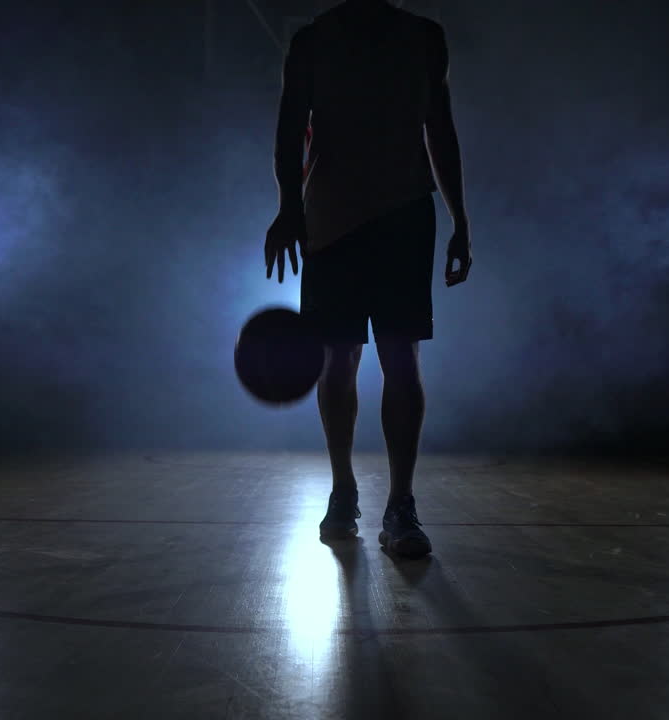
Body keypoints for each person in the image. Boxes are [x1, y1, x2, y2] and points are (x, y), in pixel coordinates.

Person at [264, 0, 471, 557]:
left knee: (398, 356)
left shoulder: (423, 38)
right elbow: (289, 128)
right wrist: (289, 208)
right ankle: (344, 490)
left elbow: (440, 129)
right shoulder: (314, 41)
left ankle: (400, 503)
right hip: (334, 214)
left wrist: (460, 218)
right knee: (341, 357)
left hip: (400, 211)